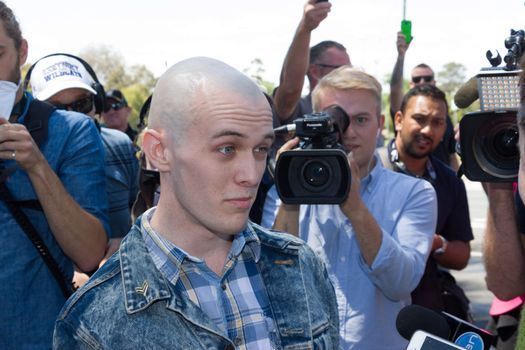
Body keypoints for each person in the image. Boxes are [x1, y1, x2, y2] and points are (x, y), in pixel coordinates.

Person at [53, 57, 340, 349]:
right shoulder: (93, 321)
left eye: (261, 149)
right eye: (226, 149)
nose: (252, 175)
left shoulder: (301, 265)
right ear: (159, 151)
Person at [271, 66, 437, 349]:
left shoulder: (414, 193)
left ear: (380, 123)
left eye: (360, 119)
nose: (347, 132)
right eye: (334, 121)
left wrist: (355, 207)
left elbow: (400, 284)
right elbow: (275, 280)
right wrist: (290, 199)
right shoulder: (287, 190)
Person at [0, 3, 109, 348]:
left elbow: (91, 254)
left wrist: (36, 165)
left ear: (23, 51)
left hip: (39, 335)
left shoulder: (69, 131)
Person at [383, 84, 473, 319]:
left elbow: (462, 255)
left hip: (423, 312)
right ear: (399, 120)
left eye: (437, 123)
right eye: (420, 119)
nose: (427, 130)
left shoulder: (450, 182)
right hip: (366, 310)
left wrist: (434, 243)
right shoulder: (368, 169)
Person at [29, 54, 139, 240]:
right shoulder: (25, 159)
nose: (74, 118)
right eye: (57, 109)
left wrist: (127, 245)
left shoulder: (121, 146)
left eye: (82, 104)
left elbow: (144, 214)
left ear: (97, 103)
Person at [272, 0, 350, 125]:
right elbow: (289, 90)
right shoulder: (299, 110)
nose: (349, 75)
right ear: (315, 71)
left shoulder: (354, 111)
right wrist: (305, 27)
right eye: (341, 70)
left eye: (350, 70)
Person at [389, 31, 458, 169]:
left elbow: (451, 155)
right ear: (399, 120)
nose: (422, 82)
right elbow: (395, 90)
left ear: (434, 82)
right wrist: (401, 56)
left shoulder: (444, 117)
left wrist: (454, 182)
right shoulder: (404, 108)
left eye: (427, 78)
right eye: (419, 119)